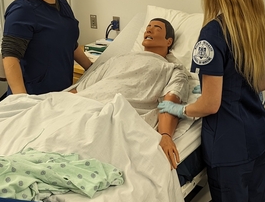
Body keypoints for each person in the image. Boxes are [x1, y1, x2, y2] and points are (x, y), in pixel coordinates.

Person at [158, 0, 265, 202]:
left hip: (229, 144)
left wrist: (180, 108)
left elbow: (210, 105)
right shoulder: (259, 24)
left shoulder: (212, 34)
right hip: (258, 133)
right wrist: (237, 85)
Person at [72, 18, 188, 169]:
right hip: (82, 106)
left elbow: (170, 103)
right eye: (148, 26)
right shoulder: (117, 59)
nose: (149, 30)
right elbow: (80, 90)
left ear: (168, 41)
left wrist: (166, 135)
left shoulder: (172, 69)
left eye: (157, 28)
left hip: (113, 115)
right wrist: (58, 103)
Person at [1, 0, 92, 96]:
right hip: (34, 95)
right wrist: (21, 98)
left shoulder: (61, 2)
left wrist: (92, 68)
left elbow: (70, 43)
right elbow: (10, 58)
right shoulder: (22, 11)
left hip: (62, 91)